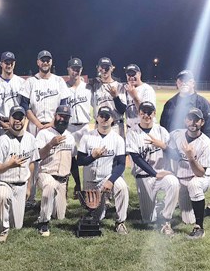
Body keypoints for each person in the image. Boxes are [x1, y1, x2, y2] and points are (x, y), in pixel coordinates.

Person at [19, 50, 70, 209]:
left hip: (55, 125)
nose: (45, 63)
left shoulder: (59, 81)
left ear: (51, 62)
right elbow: (24, 106)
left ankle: (56, 196)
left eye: (48, 60)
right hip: (35, 125)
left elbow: (64, 104)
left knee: (55, 160)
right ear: (38, 62)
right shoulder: (30, 82)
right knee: (33, 161)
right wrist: (39, 125)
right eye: (43, 60)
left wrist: (54, 123)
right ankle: (31, 197)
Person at [125, 101, 179, 235]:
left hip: (162, 174)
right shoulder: (132, 133)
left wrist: (162, 145)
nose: (146, 115)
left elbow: (176, 156)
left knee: (174, 183)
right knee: (148, 220)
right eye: (143, 112)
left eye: (149, 112)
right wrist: (154, 174)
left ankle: (166, 220)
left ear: (154, 114)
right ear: (139, 113)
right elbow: (136, 158)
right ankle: (158, 207)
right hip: (144, 177)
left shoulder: (161, 131)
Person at [0, 106, 40, 242]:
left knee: (17, 226)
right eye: (14, 117)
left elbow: (31, 164)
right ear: (9, 119)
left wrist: (29, 187)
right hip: (4, 182)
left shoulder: (30, 139)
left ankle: (4, 217)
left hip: (21, 185)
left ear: (25, 119)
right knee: (2, 195)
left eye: (21, 117)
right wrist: (9, 165)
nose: (17, 121)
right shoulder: (2, 140)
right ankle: (3, 229)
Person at [77, 106, 129, 234]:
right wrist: (92, 157)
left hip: (108, 177)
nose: (104, 119)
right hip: (90, 180)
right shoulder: (87, 137)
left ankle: (120, 222)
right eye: (102, 116)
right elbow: (80, 161)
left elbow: (121, 164)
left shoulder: (118, 139)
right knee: (96, 218)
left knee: (122, 187)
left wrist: (111, 180)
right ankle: (101, 207)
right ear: (97, 118)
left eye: (107, 116)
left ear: (112, 119)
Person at [168, 107, 210, 239]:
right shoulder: (177, 134)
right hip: (182, 178)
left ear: (202, 122)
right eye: (190, 119)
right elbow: (166, 146)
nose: (193, 123)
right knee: (187, 219)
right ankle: (209, 210)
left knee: (194, 185)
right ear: (185, 120)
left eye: (196, 120)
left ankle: (199, 227)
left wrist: (190, 158)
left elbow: (200, 173)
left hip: (201, 178)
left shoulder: (206, 143)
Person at [35, 105, 76, 237]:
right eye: (60, 116)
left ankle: (45, 205)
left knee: (60, 217)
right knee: (50, 185)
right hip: (45, 174)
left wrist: (78, 184)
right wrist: (50, 144)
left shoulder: (70, 137)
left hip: (63, 180)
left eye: (66, 117)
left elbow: (73, 161)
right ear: (55, 116)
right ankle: (43, 222)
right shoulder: (44, 134)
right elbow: (38, 156)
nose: (62, 119)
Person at [160, 70, 210, 147]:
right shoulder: (170, 104)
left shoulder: (203, 104)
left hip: (196, 151)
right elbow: (164, 129)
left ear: (193, 83)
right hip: (173, 151)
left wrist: (202, 151)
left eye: (187, 80)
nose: (183, 83)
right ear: (177, 83)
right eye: (180, 80)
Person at [65, 57, 91, 197]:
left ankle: (87, 186)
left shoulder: (88, 87)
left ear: (81, 70)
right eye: (73, 68)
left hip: (84, 127)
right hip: (68, 127)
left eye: (78, 69)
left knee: (86, 156)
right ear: (68, 69)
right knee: (69, 157)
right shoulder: (63, 87)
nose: (75, 71)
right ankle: (77, 185)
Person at [87, 57, 126, 137]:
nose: (104, 70)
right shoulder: (94, 87)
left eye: (107, 68)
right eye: (102, 68)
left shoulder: (119, 86)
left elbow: (122, 110)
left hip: (115, 126)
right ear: (98, 69)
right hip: (99, 127)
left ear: (112, 68)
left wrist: (115, 97)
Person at [0, 51, 25, 132]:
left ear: (14, 63)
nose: (9, 65)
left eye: (11, 63)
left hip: (18, 122)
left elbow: (25, 105)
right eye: (6, 63)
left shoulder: (22, 82)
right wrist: (0, 123)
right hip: (0, 124)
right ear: (1, 64)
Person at [123, 64, 156, 130]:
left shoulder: (147, 89)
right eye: (129, 75)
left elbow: (147, 112)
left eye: (133, 74)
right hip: (130, 129)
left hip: (145, 129)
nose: (131, 77)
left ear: (139, 74)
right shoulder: (126, 90)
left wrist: (134, 97)